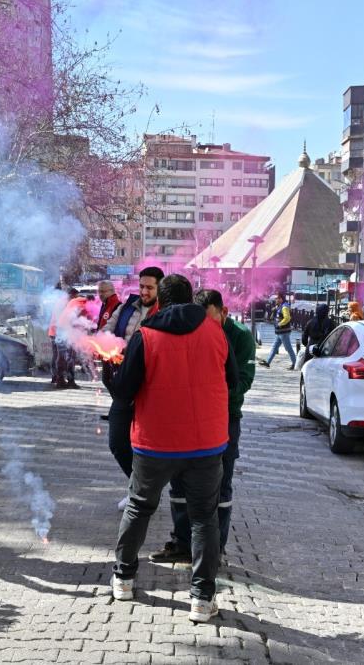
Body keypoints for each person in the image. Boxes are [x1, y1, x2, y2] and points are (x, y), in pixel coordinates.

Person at [103, 274, 237, 624]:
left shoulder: (145, 336)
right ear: (191, 299)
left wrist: (111, 374)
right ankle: (202, 598)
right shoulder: (216, 332)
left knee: (139, 507)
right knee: (204, 517)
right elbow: (233, 381)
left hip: (155, 442)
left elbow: (124, 391)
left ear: (160, 301)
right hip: (206, 443)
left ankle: (123, 579)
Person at [150, 289, 255, 565]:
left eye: (211, 320)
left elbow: (243, 381)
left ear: (224, 312)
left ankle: (214, 550)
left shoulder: (241, 336)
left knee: (221, 486)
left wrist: (207, 395)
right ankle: (182, 543)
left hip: (224, 419)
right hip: (188, 418)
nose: (205, 326)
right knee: (179, 482)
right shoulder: (193, 329)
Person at [103, 266, 164, 501]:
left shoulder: (164, 312)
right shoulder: (126, 307)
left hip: (149, 387)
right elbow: (107, 331)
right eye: (142, 286)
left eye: (150, 288)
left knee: (147, 446)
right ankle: (139, 487)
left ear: (159, 288)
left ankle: (142, 491)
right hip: (123, 384)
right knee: (118, 442)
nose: (144, 292)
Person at [54, 287, 89, 389]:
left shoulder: (71, 303)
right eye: (75, 296)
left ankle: (66, 380)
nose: (76, 298)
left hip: (65, 331)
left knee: (67, 357)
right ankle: (64, 380)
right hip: (64, 331)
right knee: (66, 357)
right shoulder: (66, 304)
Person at [259, 293, 296, 369]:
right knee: (274, 348)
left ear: (281, 299)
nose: (276, 300)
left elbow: (287, 318)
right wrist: (274, 311)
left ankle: (295, 363)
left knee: (288, 349)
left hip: (284, 332)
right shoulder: (279, 306)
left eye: (277, 298)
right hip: (279, 332)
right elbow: (272, 317)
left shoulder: (284, 307)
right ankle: (268, 362)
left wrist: (280, 324)